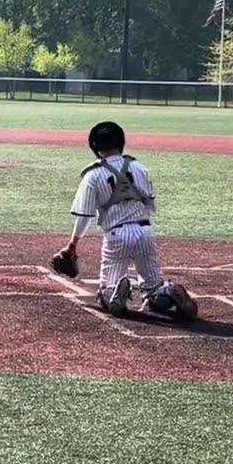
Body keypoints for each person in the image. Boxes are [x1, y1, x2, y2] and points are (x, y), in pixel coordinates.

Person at [56, 122, 198, 320]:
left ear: (95, 146)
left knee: (106, 292)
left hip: (117, 235)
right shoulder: (139, 167)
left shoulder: (93, 174)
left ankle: (115, 291)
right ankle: (166, 291)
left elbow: (84, 215)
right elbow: (150, 204)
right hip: (145, 232)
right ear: (121, 142)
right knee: (152, 287)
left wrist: (72, 245)